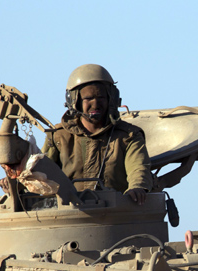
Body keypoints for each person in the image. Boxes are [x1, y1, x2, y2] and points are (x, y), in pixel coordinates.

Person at [43, 64, 153, 204]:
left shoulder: (128, 136)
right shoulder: (59, 137)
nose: (95, 104)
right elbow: (40, 173)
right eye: (88, 98)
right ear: (74, 101)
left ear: (111, 99)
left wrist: (137, 187)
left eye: (101, 97)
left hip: (115, 216)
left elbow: (138, 168)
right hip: (68, 215)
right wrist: (16, 184)